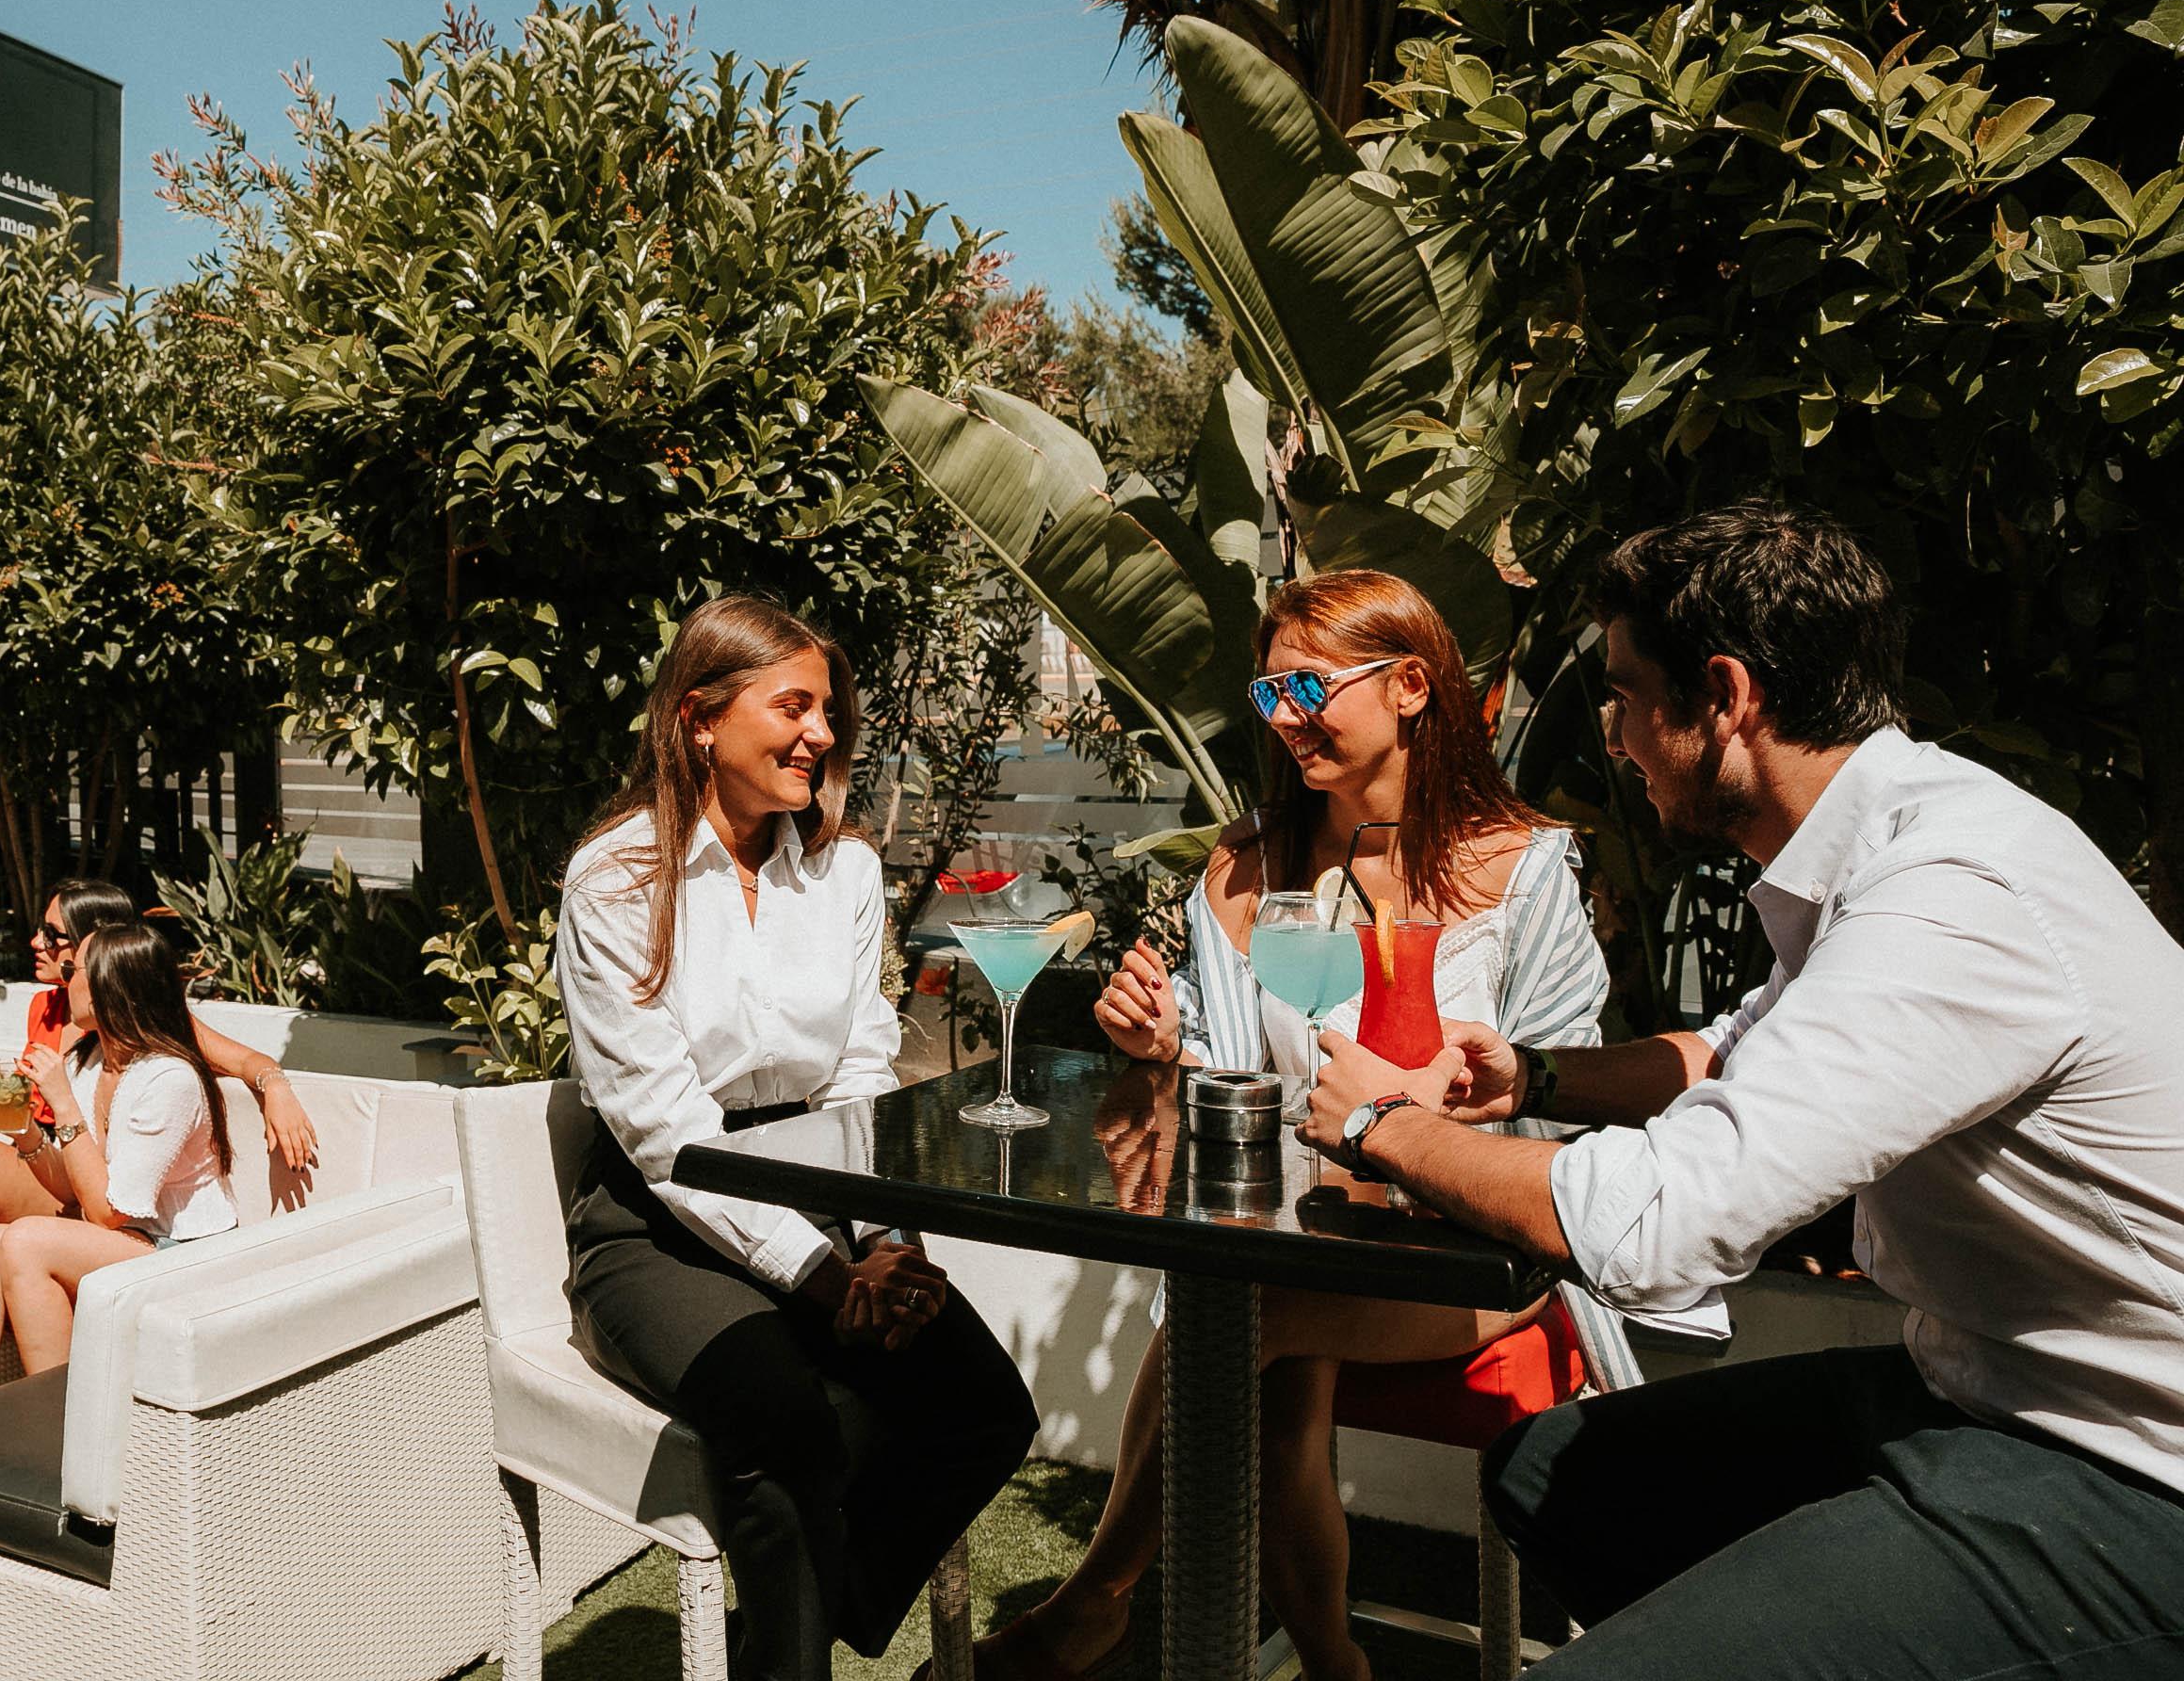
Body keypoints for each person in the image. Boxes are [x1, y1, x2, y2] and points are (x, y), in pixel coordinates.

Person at [1302, 502, 2184, 1677]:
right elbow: (1733, 1048)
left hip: (2131, 1457)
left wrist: (1380, 1122)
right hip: (1983, 1380)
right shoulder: (1875, 845)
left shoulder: (1948, 892)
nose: (1610, 734)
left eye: (1622, 696)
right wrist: (1534, 1072)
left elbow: (1661, 1223)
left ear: (1723, 696)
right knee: (1559, 1477)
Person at [979, 569, 1613, 1681]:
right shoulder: (1251, 866)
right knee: (1268, 1355)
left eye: (1310, 685)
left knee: (1249, 1313)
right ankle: (1333, 1663)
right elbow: (1233, 1066)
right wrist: (1159, 1042)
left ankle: (1096, 1602)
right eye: (1269, 691)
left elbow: (1562, 1091)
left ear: (1412, 685)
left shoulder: (1525, 868)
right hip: (1298, 1225)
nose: (1284, 716)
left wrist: (1437, 1116)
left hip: (1475, 1246)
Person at [556, 594, 1038, 1681]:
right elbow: (666, 1130)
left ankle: (783, 1645)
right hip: (655, 1215)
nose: (822, 732)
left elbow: (863, 1071)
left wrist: (884, 1244)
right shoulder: (616, 878)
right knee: (787, 1420)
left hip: (824, 1179)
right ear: (700, 718)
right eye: (793, 705)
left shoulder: (845, 871)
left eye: (829, 708)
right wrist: (829, 1281)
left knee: (984, 1406)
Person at [0, 876, 315, 1428]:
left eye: (59, 943)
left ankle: (60, 1430)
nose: (48, 954)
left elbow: (109, 1208)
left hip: (167, 1241)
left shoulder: (162, 1061)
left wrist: (274, 1085)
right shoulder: (83, 1048)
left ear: (109, 970)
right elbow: (57, 1156)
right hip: (100, 1204)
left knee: (6, 1221)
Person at [0, 921, 242, 1409]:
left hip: (187, 1256)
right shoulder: (89, 1062)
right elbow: (68, 1185)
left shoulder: (168, 1079)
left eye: (74, 969)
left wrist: (65, 1107)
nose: (64, 978)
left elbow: (106, 1212)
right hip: (135, 1239)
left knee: (28, 1240)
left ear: (108, 989)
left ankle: (66, 1428)